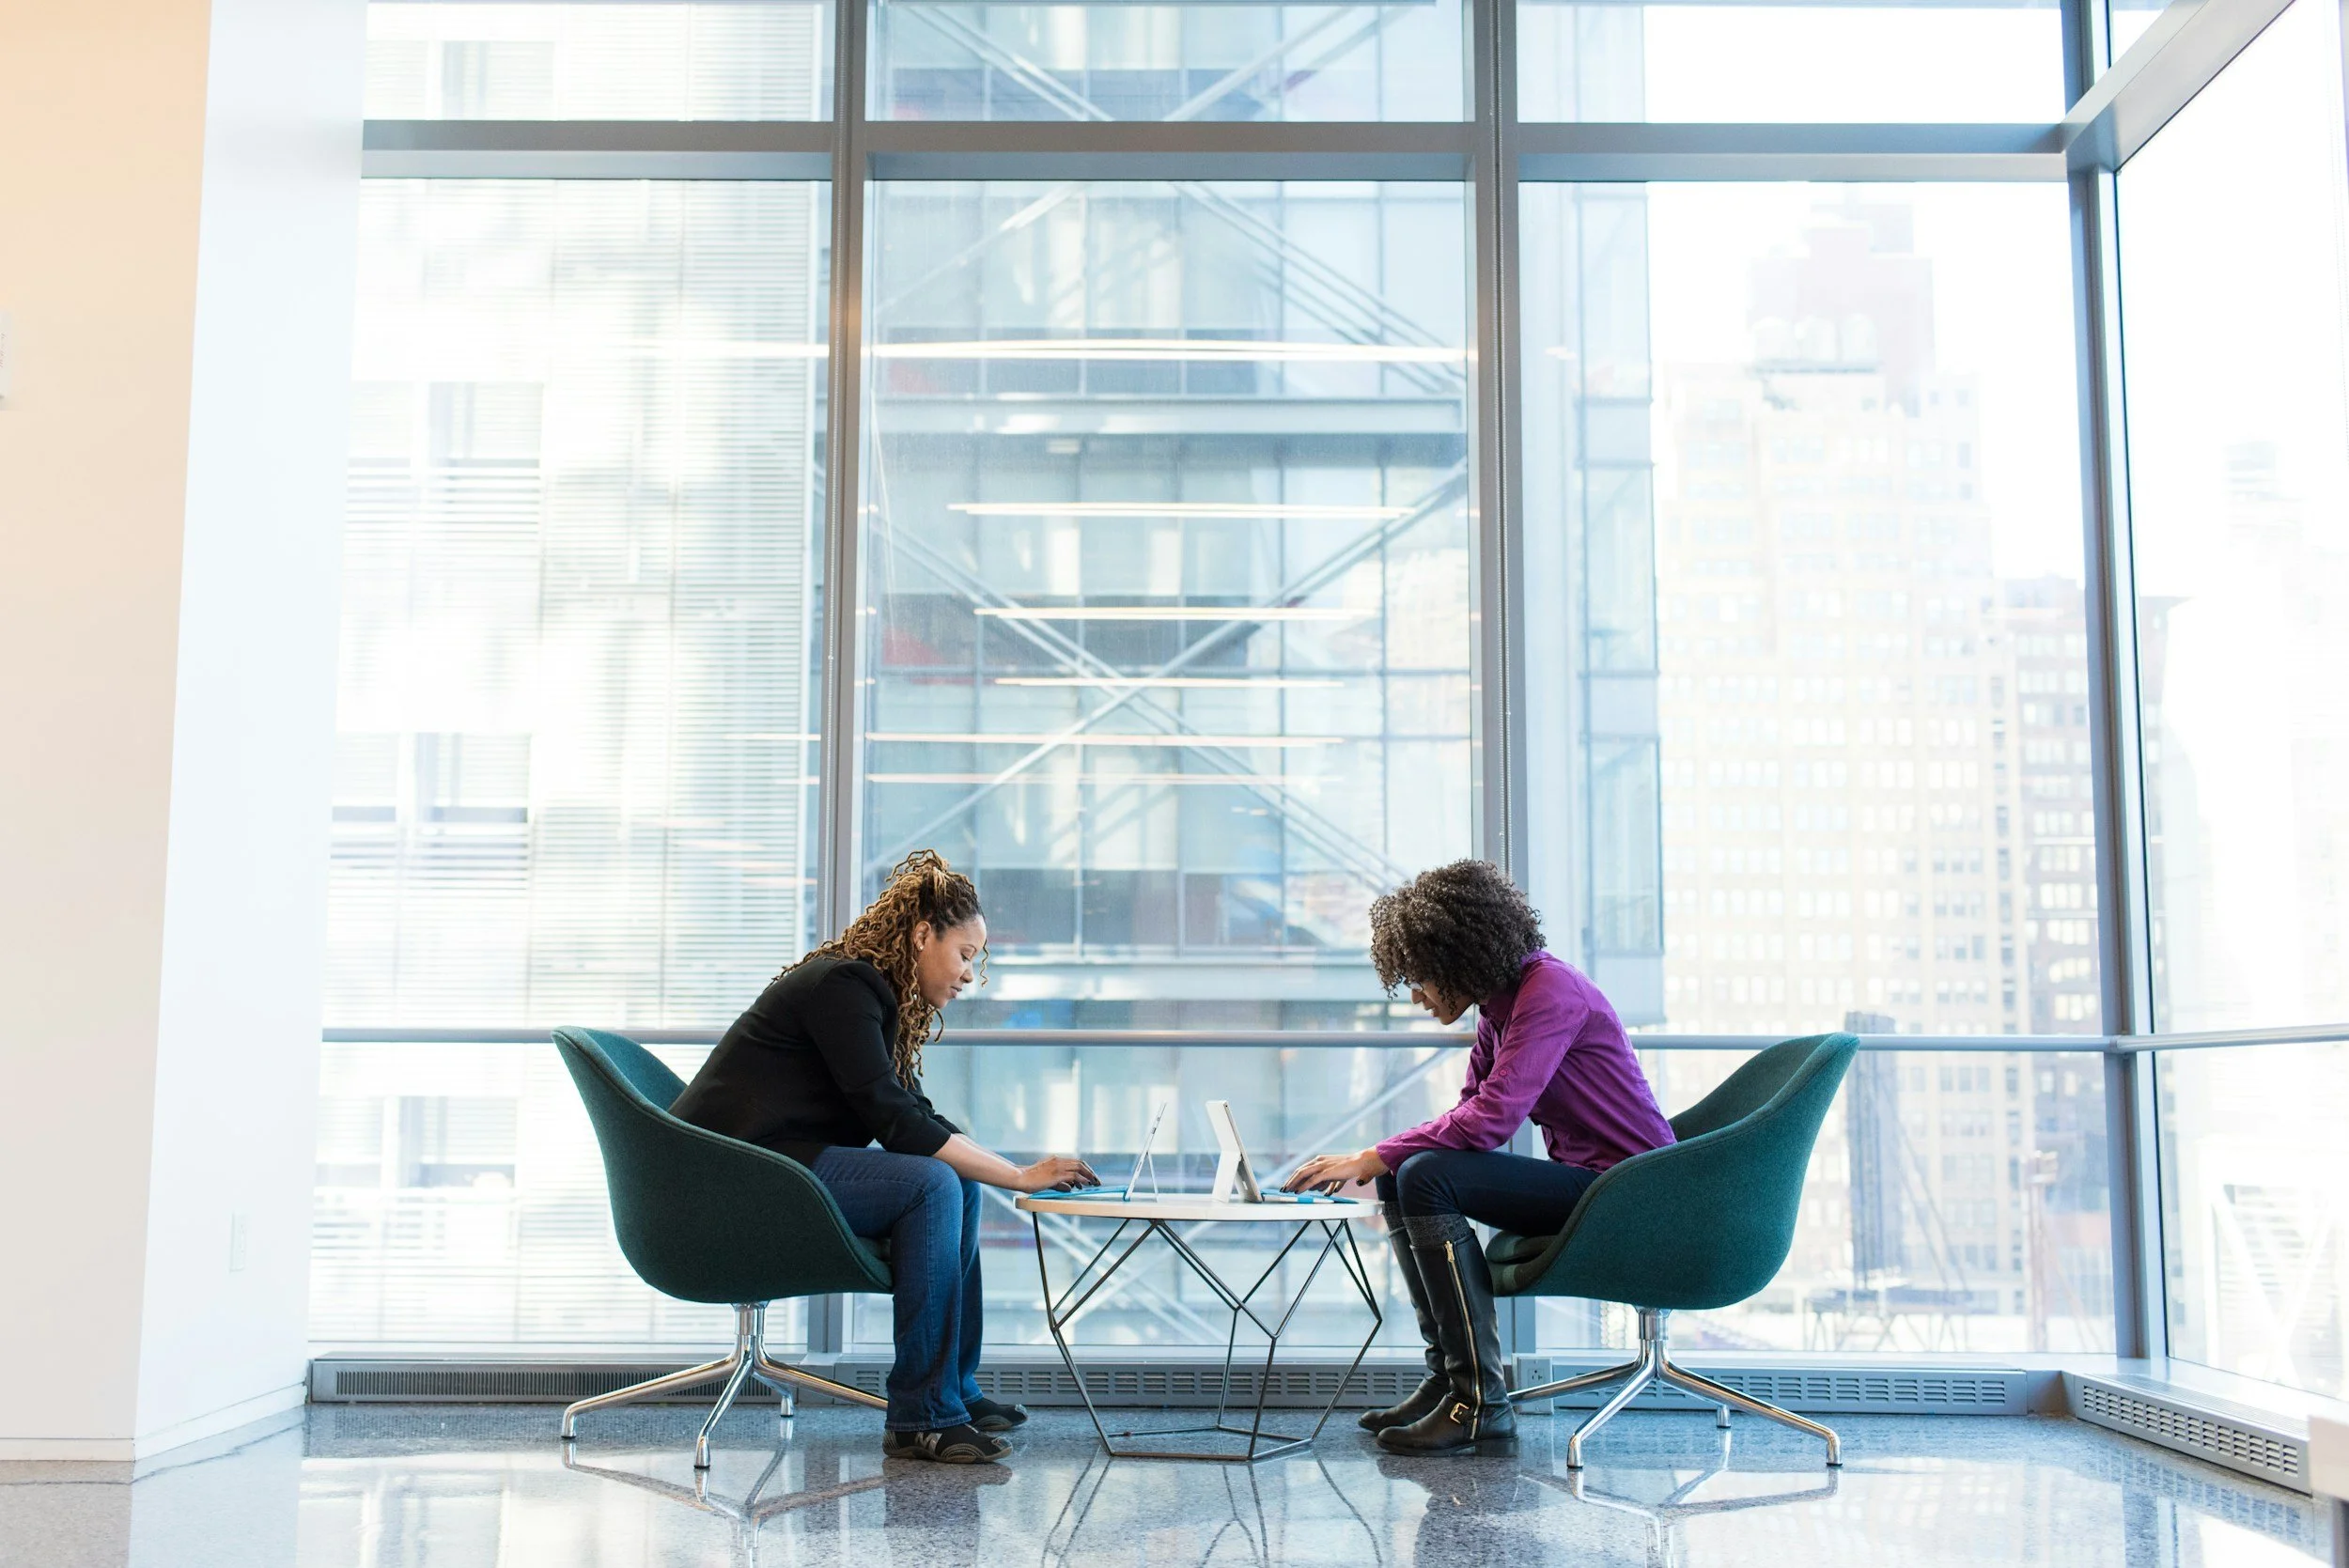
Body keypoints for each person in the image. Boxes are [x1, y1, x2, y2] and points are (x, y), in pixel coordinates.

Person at [672, 849, 1097, 1465]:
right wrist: (1016, 1177)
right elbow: (896, 1125)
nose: (969, 976)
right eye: (966, 955)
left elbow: (915, 1117)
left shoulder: (870, 992)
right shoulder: (845, 985)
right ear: (924, 934)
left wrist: (1012, 1171)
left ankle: (954, 1391)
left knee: (953, 1179)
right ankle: (921, 1417)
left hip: (773, 1163)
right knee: (931, 1183)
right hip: (730, 1174)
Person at [1285, 860, 1676, 1457]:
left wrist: (1371, 1154)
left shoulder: (1549, 992)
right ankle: (1450, 1382)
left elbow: (1492, 1121)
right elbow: (1469, 1110)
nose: (1415, 996)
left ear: (1457, 960)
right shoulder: (1502, 1006)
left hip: (1631, 1190)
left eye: (1420, 979)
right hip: (1594, 1183)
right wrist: (1379, 1160)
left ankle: (1480, 1403)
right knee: (1407, 1173)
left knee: (1422, 1171)